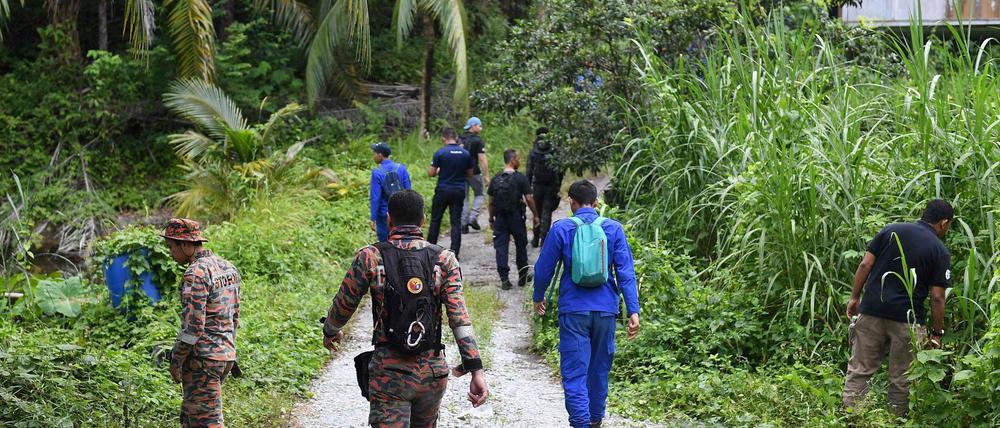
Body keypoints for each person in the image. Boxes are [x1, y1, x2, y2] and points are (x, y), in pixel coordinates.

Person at [323, 190, 490, 427]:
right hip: (432, 374)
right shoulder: (444, 259)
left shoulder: (371, 256)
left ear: (389, 218)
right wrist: (476, 370)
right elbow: (459, 319)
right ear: (423, 219)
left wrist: (330, 331)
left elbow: (344, 304)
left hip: (389, 374)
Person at [532, 180, 640, 428]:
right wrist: (633, 310)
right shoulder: (613, 229)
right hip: (606, 311)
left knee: (574, 373)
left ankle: (581, 424)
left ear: (572, 201)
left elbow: (543, 270)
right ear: (596, 202)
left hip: (574, 311)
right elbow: (625, 272)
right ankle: (595, 421)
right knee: (599, 370)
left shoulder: (562, 229)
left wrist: (539, 296)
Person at [843, 200, 953, 416]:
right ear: (944, 222)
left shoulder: (891, 230)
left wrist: (855, 298)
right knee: (902, 379)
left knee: (859, 371)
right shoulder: (939, 250)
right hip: (908, 320)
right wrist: (937, 333)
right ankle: (897, 421)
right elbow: (937, 298)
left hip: (872, 310)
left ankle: (850, 418)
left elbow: (865, 265)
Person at [162, 218, 241, 428]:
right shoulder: (227, 268)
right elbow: (235, 317)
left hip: (203, 360)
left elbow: (193, 328)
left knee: (207, 422)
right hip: (224, 355)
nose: (170, 252)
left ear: (186, 245)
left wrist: (175, 360)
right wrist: (227, 348)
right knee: (191, 417)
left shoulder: (195, 273)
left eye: (171, 246)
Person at [487, 149, 539, 290]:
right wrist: (535, 214)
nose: (519, 161)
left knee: (501, 247)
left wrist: (491, 219)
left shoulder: (496, 178)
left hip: (500, 218)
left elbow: (490, 202)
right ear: (513, 159)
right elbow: (529, 198)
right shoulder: (520, 178)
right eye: (518, 159)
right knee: (520, 245)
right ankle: (523, 277)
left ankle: (504, 278)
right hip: (516, 217)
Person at [427, 128, 474, 257]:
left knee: (436, 220)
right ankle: (454, 252)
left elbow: (431, 173)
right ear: (456, 138)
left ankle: (430, 251)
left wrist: (440, 171)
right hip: (459, 190)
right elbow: (470, 174)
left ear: (444, 139)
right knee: (456, 222)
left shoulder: (440, 153)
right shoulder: (465, 153)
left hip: (443, 189)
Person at [526, 127, 564, 248]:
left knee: (536, 211)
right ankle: (544, 240)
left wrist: (527, 188)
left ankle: (535, 239)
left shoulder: (534, 150)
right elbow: (560, 169)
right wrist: (558, 185)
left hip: (537, 185)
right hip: (551, 185)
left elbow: (529, 170)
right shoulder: (553, 149)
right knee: (547, 212)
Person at [369, 142, 412, 242]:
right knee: (402, 240)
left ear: (380, 155)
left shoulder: (377, 172)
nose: (373, 156)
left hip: (384, 214)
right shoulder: (401, 168)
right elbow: (409, 190)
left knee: (385, 244)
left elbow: (376, 198)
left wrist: (373, 217)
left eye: (374, 153)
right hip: (402, 212)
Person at [459, 117, 488, 234]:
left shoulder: (460, 139)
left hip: (460, 172)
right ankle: (473, 217)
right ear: (473, 126)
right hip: (474, 172)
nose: (480, 128)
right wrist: (486, 175)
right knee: (480, 194)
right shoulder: (478, 140)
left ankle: (464, 224)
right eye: (479, 125)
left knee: (464, 198)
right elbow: (482, 159)